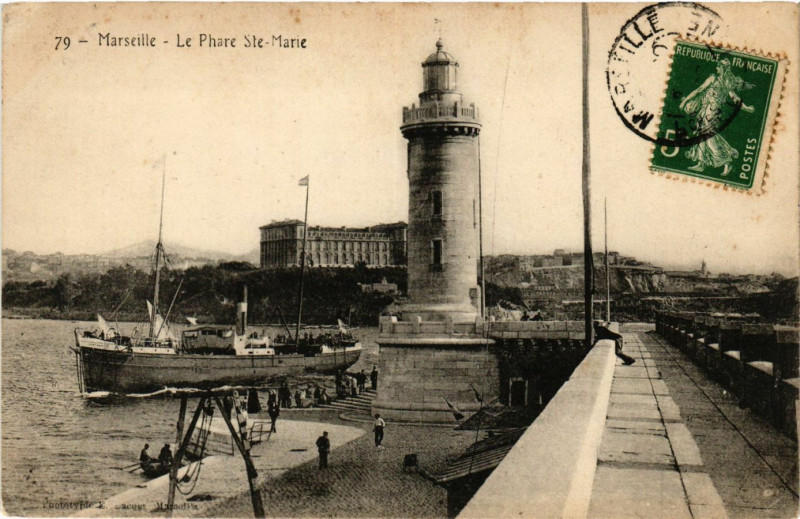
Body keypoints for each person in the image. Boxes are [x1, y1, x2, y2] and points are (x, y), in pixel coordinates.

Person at [679, 58, 755, 177]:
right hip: (709, 111)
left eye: (718, 66)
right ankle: (702, 163)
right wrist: (746, 108)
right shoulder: (727, 83)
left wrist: (685, 101)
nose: (716, 68)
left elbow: (699, 90)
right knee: (703, 135)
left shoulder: (713, 79)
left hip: (711, 112)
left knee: (707, 136)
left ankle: (726, 160)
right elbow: (735, 99)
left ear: (723, 68)